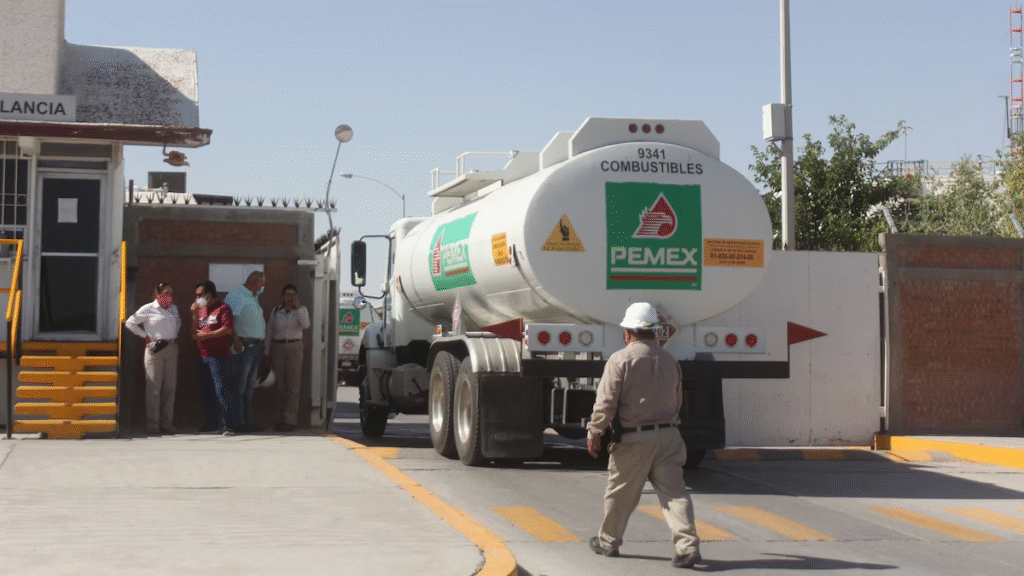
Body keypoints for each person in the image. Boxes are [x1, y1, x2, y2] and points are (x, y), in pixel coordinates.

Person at [586, 302, 701, 569]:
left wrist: (594, 432)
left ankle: (608, 542)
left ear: (628, 333)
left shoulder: (620, 360)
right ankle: (688, 547)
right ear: (656, 333)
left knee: (620, 494)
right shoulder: (671, 361)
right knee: (675, 494)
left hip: (634, 439)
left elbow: (606, 403)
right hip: (669, 437)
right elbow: (677, 400)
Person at [124, 282, 181, 435]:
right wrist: (145, 336)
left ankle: (167, 423)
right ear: (157, 294)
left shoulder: (173, 308)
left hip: (170, 347)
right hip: (155, 349)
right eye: (165, 293)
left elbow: (178, 323)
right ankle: (152, 424)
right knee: (154, 388)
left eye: (170, 293)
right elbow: (130, 322)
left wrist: (172, 336)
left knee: (170, 387)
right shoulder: (148, 308)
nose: (168, 297)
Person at [192, 280, 239, 435]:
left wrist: (207, 335)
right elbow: (194, 333)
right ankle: (211, 423)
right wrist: (193, 315)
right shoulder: (200, 310)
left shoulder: (222, 308)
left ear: (209, 294)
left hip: (218, 356)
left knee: (221, 390)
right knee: (207, 391)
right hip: (203, 356)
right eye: (196, 295)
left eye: (200, 295)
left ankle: (227, 424)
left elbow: (227, 329)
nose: (197, 298)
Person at [224, 270, 267, 432]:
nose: (263, 288)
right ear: (255, 282)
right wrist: (235, 340)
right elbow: (230, 320)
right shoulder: (237, 295)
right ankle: (236, 422)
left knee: (249, 386)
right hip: (243, 346)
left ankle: (247, 421)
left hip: (255, 346)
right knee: (239, 385)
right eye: (262, 284)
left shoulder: (252, 296)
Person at [264, 284, 310, 432]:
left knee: (293, 386)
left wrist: (297, 309)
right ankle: (279, 419)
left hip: (294, 347)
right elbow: (270, 330)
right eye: (287, 295)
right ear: (282, 297)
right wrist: (266, 352)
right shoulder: (276, 311)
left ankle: (290, 420)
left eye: (293, 295)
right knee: (280, 385)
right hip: (278, 347)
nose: (290, 298)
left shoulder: (301, 310)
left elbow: (305, 325)